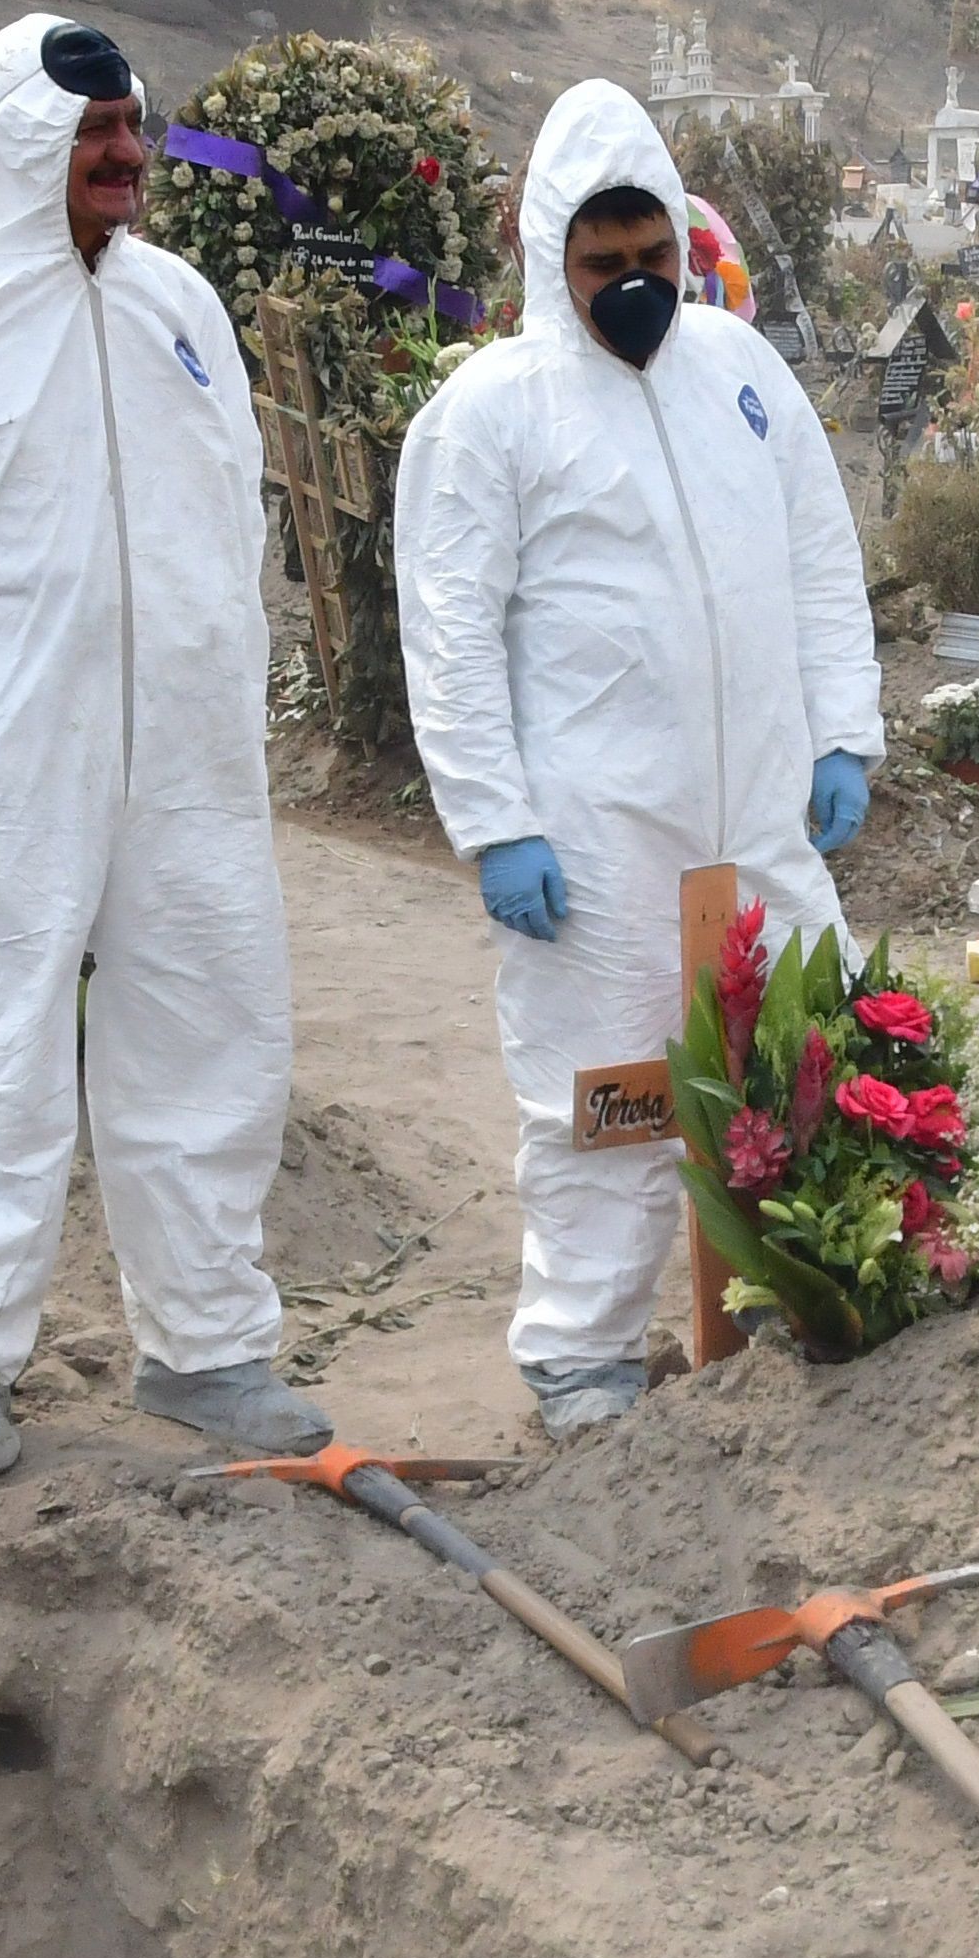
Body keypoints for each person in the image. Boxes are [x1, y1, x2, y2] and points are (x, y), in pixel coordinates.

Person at [0, 14, 319, 1491]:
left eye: (133, 133)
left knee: (216, 1038)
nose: (126, 160)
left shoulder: (184, 308)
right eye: (95, 136)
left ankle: (208, 1346)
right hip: (11, 755)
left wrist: (242, 693)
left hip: (194, 760)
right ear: (24, 142)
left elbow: (241, 517)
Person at [396, 84, 881, 1436]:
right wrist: (496, 822)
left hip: (761, 813)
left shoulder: (741, 373)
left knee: (807, 1059)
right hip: (596, 829)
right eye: (602, 264)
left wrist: (844, 731)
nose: (633, 287)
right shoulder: (492, 412)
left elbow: (819, 563)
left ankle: (803, 1297)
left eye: (651, 258)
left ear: (684, 245)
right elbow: (449, 628)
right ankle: (586, 1357)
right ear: (552, 255)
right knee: (605, 1095)